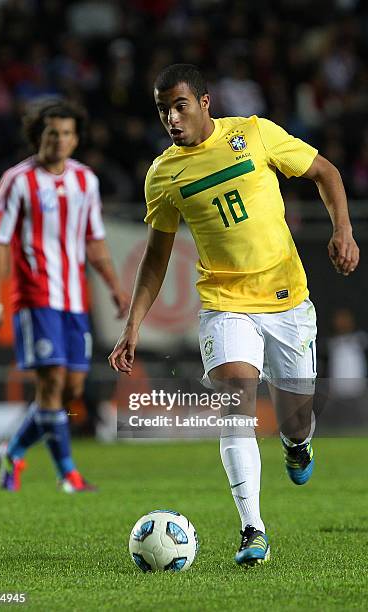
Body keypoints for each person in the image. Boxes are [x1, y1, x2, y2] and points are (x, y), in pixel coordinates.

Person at [108, 64, 359, 565]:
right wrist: (132, 325)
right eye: (163, 111)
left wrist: (343, 230)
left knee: (295, 421)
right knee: (236, 403)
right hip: (224, 302)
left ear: (204, 103)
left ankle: (297, 445)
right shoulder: (162, 175)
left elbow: (324, 172)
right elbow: (156, 257)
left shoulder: (254, 134)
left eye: (180, 106)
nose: (172, 119)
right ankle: (253, 531)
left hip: (287, 299)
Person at [0, 98, 128, 493]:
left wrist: (115, 287)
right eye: (52, 133)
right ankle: (69, 474)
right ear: (38, 137)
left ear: (76, 139)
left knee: (72, 389)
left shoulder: (86, 180)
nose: (59, 140)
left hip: (74, 300)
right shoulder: (17, 181)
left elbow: (95, 241)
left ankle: (12, 451)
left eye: (66, 133)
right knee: (50, 383)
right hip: (35, 296)